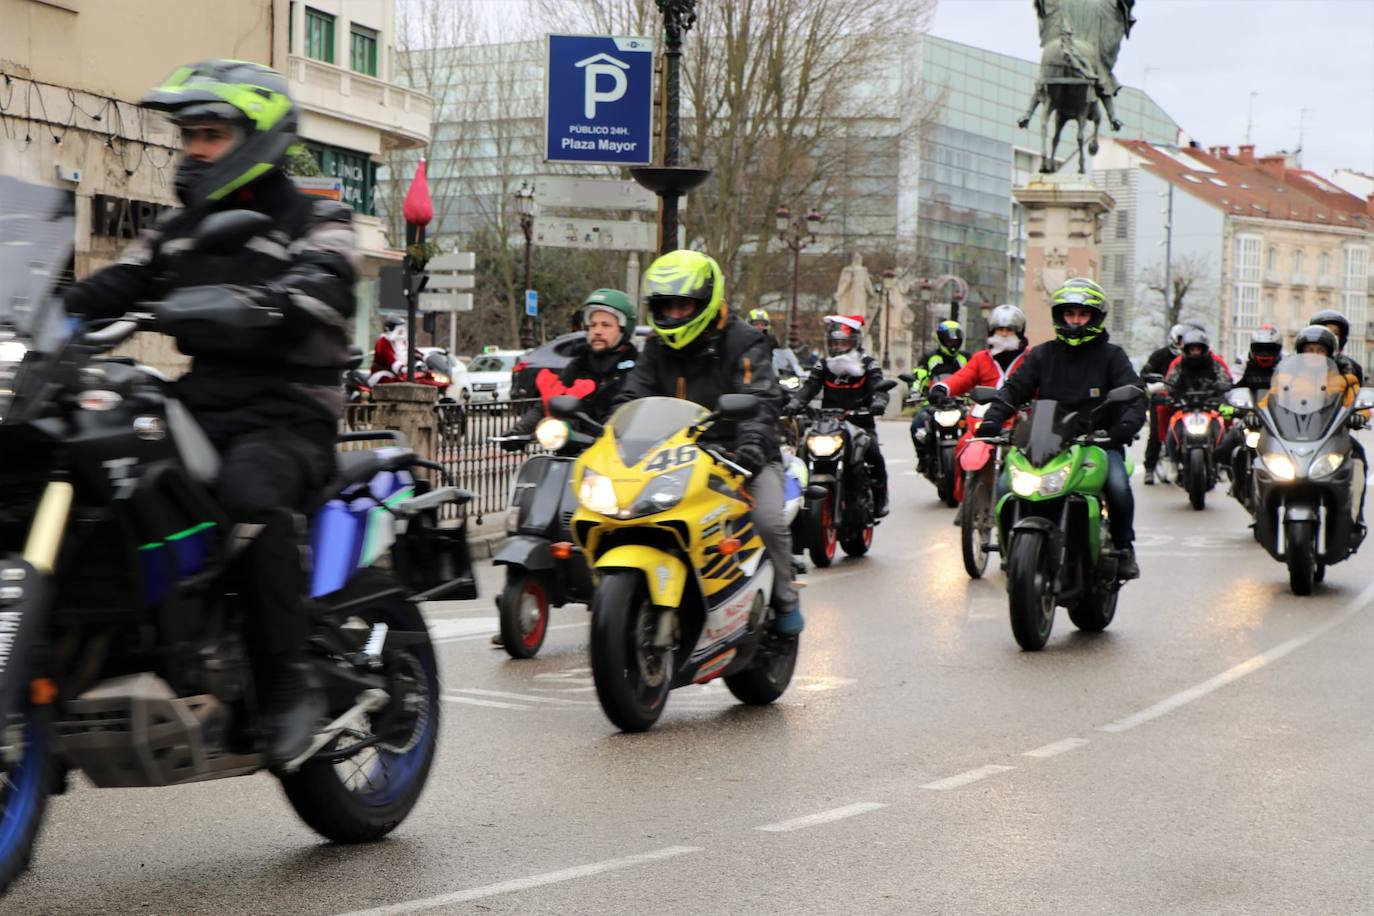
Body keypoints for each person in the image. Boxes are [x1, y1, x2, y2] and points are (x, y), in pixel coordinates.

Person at [63, 60, 356, 766]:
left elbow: (328, 281)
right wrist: (46, 311)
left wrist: (279, 299)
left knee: (247, 494)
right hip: (203, 400)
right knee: (98, 472)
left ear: (257, 137)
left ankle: (287, 683)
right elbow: (121, 282)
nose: (193, 149)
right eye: (189, 135)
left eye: (210, 134)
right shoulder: (177, 230)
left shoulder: (316, 213)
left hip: (288, 410)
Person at [615, 249, 802, 635]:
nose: (674, 315)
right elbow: (632, 396)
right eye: (665, 307)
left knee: (768, 519)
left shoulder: (746, 342)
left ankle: (785, 597)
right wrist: (611, 430)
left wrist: (749, 448)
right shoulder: (655, 347)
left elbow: (761, 401)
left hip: (738, 453)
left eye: (683, 306)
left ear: (706, 301)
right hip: (672, 457)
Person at [975, 278, 1145, 579]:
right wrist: (993, 419)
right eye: (1070, 314)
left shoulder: (1112, 356)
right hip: (1048, 442)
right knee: (1005, 486)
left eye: (1082, 314)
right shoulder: (1042, 355)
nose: (1076, 321)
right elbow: (1014, 390)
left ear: (1095, 317)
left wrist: (1124, 427)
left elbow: (1133, 393)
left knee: (1118, 487)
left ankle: (1123, 547)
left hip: (1098, 443)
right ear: (1060, 316)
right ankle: (1011, 548)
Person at [501, 289, 638, 443]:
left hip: (617, 450)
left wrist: (605, 431)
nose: (597, 331)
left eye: (606, 325)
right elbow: (548, 402)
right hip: (575, 447)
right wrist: (519, 431)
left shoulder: (635, 367)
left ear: (623, 329)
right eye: (592, 325)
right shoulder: (579, 364)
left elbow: (630, 407)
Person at [787, 314, 891, 517]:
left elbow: (879, 388)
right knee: (800, 451)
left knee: (874, 455)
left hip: (860, 423)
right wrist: (795, 402)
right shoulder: (823, 366)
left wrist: (878, 402)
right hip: (827, 424)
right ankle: (798, 502)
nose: (838, 348)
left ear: (855, 342)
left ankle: (880, 499)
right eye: (835, 343)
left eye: (844, 343)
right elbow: (809, 388)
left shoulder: (868, 364)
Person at [928, 304, 1032, 401]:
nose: (1004, 334)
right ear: (992, 331)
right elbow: (961, 378)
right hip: (983, 415)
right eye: (1000, 329)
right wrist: (942, 388)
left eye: (1009, 330)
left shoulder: (1031, 358)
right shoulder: (982, 358)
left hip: (1021, 416)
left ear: (1019, 332)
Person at [1216, 324, 1283, 474]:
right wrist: (1227, 404)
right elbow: (1231, 384)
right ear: (1252, 347)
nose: (1265, 353)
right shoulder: (1242, 361)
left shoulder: (1286, 362)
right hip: (1248, 413)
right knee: (1225, 446)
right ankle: (1225, 467)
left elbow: (1296, 389)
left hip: (1277, 416)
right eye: (1260, 348)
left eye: (1270, 348)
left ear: (1278, 349)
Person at [909, 319, 970, 471]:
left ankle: (971, 462)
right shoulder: (930, 358)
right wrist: (916, 390)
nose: (952, 344)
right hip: (933, 405)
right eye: (949, 341)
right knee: (916, 425)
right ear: (941, 340)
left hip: (960, 403)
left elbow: (975, 377)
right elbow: (920, 376)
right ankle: (922, 457)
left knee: (974, 426)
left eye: (956, 341)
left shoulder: (966, 359)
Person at [1141, 323, 1186, 484]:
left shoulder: (1192, 357)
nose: (1183, 343)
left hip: (1184, 401)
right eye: (1180, 339)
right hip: (1162, 400)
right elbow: (1145, 375)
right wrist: (1152, 383)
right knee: (1155, 434)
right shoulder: (1160, 355)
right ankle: (1150, 468)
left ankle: (1186, 465)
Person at [1310, 309, 1364, 386]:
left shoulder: (1353, 368)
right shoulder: (1302, 362)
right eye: (1327, 331)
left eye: (1336, 333)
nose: (1331, 336)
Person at [369, 315, 407, 385]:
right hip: (382, 374)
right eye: (399, 331)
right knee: (393, 386)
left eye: (402, 330)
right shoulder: (383, 342)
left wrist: (424, 358)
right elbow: (389, 358)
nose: (401, 333)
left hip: (398, 374)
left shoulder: (402, 342)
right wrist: (402, 368)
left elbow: (413, 352)